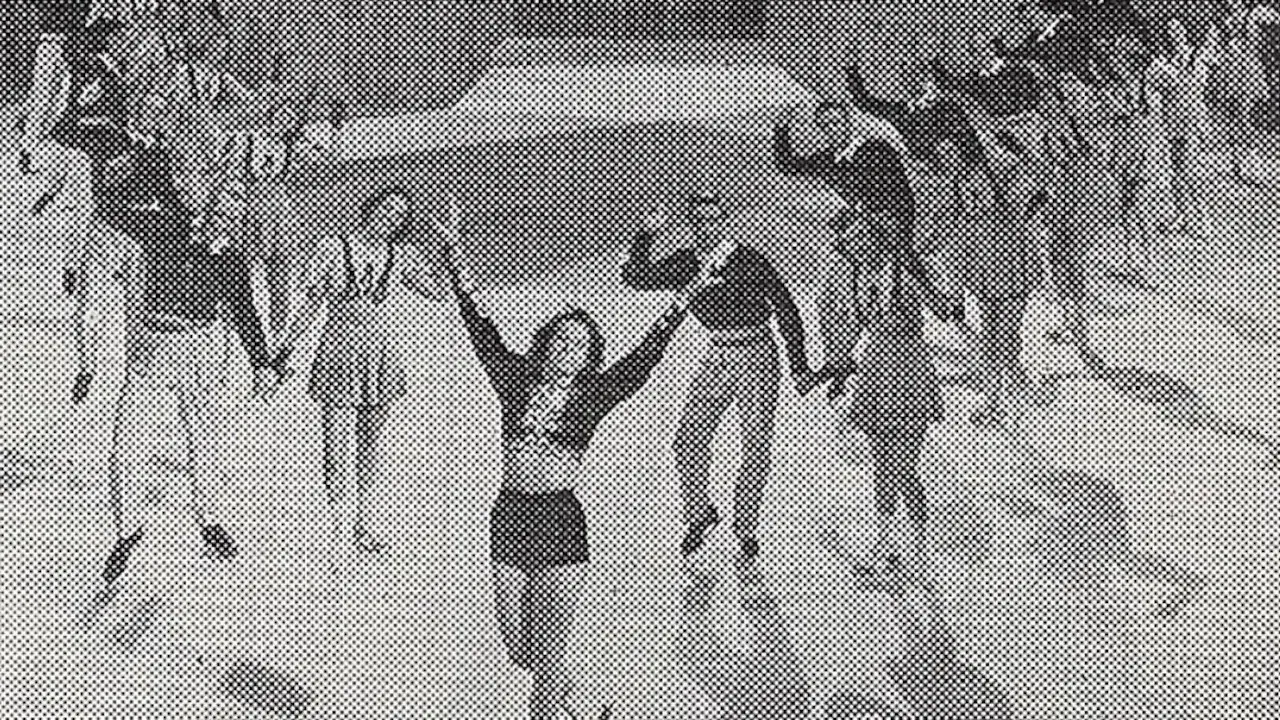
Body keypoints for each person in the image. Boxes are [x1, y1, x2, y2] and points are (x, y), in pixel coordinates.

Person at [435, 195, 704, 720]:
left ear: (589, 355)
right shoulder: (515, 379)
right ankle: (584, 705)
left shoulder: (594, 395)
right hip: (508, 515)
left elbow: (643, 360)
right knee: (521, 651)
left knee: (550, 659)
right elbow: (479, 325)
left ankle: (560, 708)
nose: (568, 349)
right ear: (545, 344)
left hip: (561, 520)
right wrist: (455, 251)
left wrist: (679, 304)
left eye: (579, 345)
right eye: (561, 340)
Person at [100, 177, 281, 588]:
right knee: (128, 442)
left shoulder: (232, 260)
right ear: (205, 204)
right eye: (219, 207)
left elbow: (246, 313)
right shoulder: (165, 227)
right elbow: (115, 210)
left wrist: (262, 363)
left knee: (205, 441)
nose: (223, 217)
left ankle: (210, 522)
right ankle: (127, 531)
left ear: (238, 220)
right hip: (152, 347)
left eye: (233, 213)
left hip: (199, 351)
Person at [621, 192, 815, 563]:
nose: (705, 227)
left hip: (758, 353)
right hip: (717, 353)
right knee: (687, 440)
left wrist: (799, 366)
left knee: (755, 445)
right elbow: (633, 277)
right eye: (698, 221)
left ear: (724, 222)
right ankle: (699, 516)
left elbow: (787, 309)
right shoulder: (684, 263)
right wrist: (646, 234)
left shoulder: (750, 260)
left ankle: (746, 530)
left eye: (712, 220)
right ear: (690, 225)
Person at [274, 189, 446, 565]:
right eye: (385, 208)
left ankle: (363, 526)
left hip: (382, 358)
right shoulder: (332, 247)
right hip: (338, 355)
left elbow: (439, 293)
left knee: (371, 447)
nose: (390, 217)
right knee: (336, 449)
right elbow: (310, 304)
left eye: (399, 215)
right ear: (370, 208)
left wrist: (447, 246)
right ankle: (339, 533)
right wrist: (284, 348)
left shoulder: (402, 255)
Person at [814, 139, 956, 583]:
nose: (852, 246)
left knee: (903, 467)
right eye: (847, 242)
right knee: (882, 466)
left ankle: (916, 553)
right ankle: (887, 547)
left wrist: (943, 298)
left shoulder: (902, 270)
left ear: (873, 235)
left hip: (909, 369)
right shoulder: (860, 276)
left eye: (857, 238)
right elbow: (856, 329)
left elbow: (940, 307)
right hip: (875, 370)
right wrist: (839, 372)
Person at [959, 130, 1044, 427]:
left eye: (999, 149)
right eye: (989, 150)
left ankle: (1005, 399)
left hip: (1013, 266)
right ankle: (998, 400)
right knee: (992, 337)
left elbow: (1026, 212)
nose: (994, 155)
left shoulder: (1021, 178)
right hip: (988, 266)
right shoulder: (977, 177)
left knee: (1005, 336)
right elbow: (969, 216)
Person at [1147, 17, 1220, 239]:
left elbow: (1202, 82)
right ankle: (1181, 216)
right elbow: (1151, 90)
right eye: (1169, 32)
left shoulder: (1196, 57)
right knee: (1176, 172)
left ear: (1185, 33)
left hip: (1193, 122)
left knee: (1189, 172)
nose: (1174, 36)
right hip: (1172, 123)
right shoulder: (1161, 63)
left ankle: (1204, 218)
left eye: (1177, 30)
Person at [18, 1, 93, 175]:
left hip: (70, 46)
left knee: (61, 100)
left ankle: (38, 149)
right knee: (43, 100)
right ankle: (28, 150)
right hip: (51, 44)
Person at [1218, 0, 1269, 184]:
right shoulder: (1229, 22)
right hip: (1234, 73)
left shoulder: (1251, 17)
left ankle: (1253, 163)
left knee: (1245, 119)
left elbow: (1267, 21)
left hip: (1247, 73)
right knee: (1234, 119)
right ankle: (1238, 162)